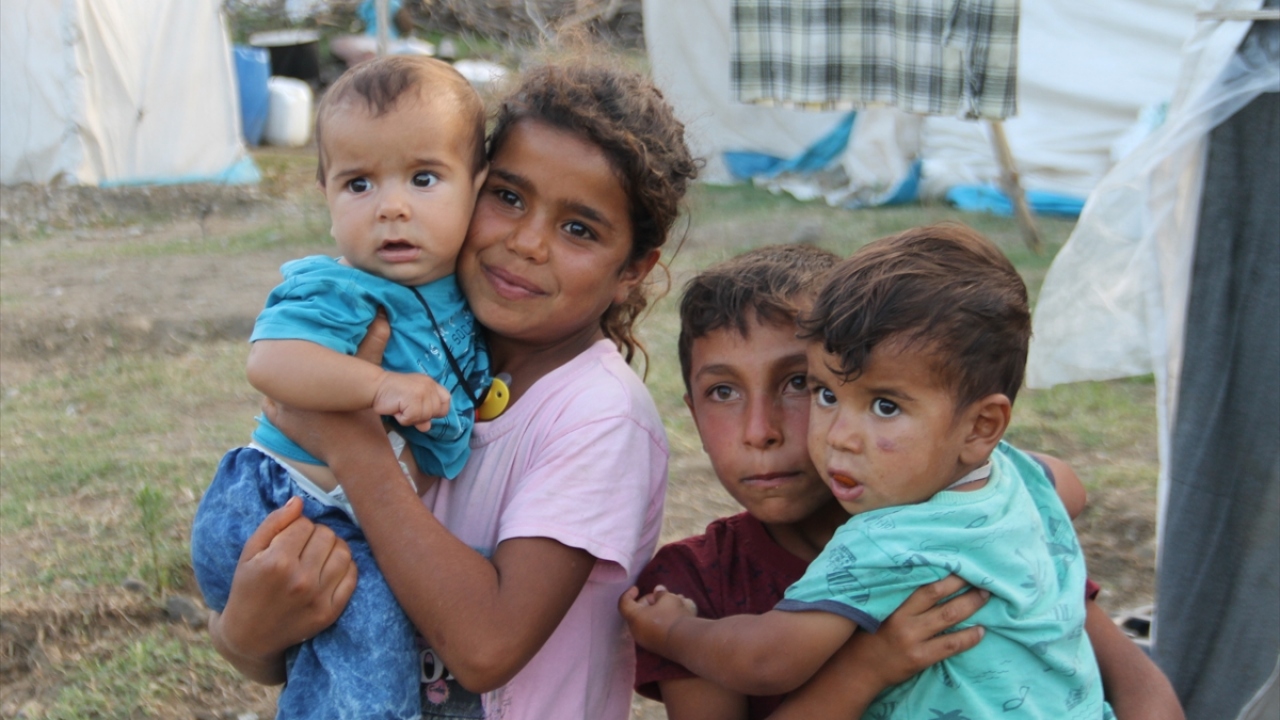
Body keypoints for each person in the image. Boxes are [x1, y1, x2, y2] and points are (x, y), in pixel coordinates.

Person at [205, 60, 698, 719]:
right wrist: (244, 634)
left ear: (634, 269)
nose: (526, 243)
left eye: (578, 229)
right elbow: (316, 628)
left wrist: (354, 446)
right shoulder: (426, 357)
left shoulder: (598, 418)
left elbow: (486, 647)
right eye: (509, 197)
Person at [628, 243, 1184, 720]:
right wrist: (869, 665)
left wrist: (677, 633)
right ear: (692, 416)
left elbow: (1138, 684)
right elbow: (1065, 486)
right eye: (723, 392)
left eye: (800, 383)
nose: (760, 431)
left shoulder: (934, 528)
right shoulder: (697, 583)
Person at [190, 56, 491, 718]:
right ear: (325, 195)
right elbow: (272, 362)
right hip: (283, 504)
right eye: (359, 184)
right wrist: (376, 385)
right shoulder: (340, 287)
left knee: (347, 668)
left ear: (479, 187)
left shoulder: (462, 296)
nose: (392, 207)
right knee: (376, 680)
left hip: (338, 508)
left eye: (423, 178)